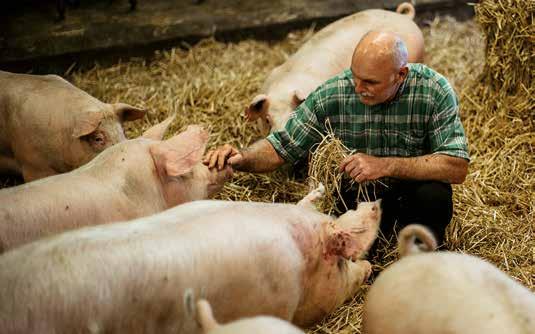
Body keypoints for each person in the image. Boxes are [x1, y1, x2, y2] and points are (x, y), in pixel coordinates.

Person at [203, 30, 469, 246]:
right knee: (343, 241)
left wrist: (385, 165)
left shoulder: (433, 90)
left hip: (413, 191)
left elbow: (456, 167)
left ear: (401, 75)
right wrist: (242, 157)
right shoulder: (335, 92)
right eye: (354, 76)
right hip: (358, 197)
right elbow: (282, 147)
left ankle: (421, 260)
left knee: (434, 196)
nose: (358, 88)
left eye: (370, 82)